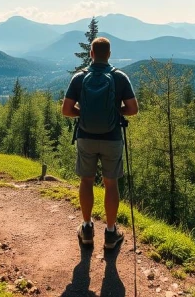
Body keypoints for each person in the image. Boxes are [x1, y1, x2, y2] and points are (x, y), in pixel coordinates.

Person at [61, 37, 139, 250]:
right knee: (110, 183)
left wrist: (83, 113)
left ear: (91, 54)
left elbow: (66, 110)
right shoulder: (119, 77)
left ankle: (86, 229)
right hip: (112, 138)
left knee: (86, 181)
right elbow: (133, 109)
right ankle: (111, 233)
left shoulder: (80, 78)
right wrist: (115, 112)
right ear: (109, 54)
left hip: (86, 137)